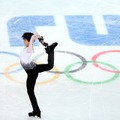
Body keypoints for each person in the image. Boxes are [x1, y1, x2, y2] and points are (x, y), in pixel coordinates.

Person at [20, 32, 58, 118]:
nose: (23, 41)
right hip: (34, 67)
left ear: (27, 40)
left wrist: (36, 38)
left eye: (24, 40)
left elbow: (33, 38)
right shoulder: (27, 48)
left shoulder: (29, 49)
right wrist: (40, 39)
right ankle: (50, 50)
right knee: (49, 66)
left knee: (30, 92)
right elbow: (35, 35)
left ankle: (37, 111)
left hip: (32, 73)